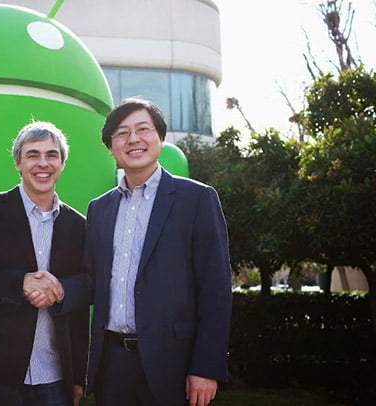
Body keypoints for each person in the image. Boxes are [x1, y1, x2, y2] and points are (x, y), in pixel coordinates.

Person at [34, 98, 233, 406]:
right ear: (111, 147)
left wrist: (206, 367)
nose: (133, 140)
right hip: (113, 364)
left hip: (173, 364)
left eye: (143, 129)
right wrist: (58, 290)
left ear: (160, 138)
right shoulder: (100, 209)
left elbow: (216, 290)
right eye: (122, 134)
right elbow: (92, 279)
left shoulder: (196, 200)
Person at [0, 121, 89, 406]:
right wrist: (18, 283)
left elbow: (84, 296)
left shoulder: (79, 226)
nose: (42, 163)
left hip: (55, 380)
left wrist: (78, 377)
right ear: (18, 164)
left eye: (51, 155)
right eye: (32, 155)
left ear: (62, 164)